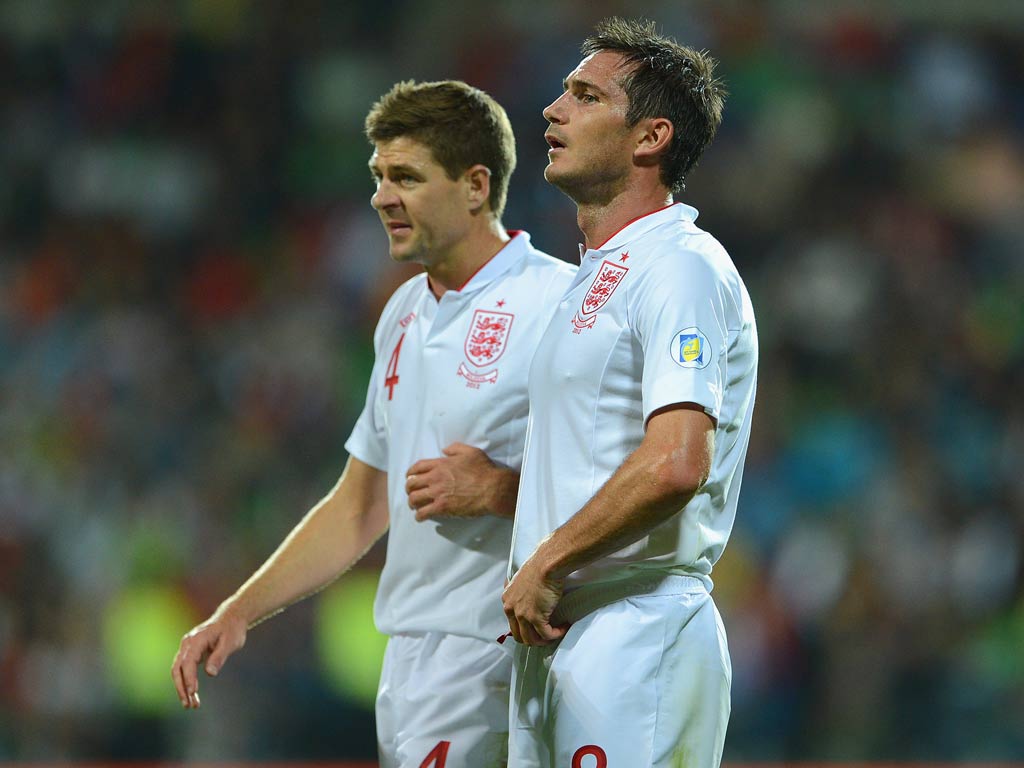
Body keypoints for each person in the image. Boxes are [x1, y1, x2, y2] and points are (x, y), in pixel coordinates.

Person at [171, 79, 575, 768]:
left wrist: (502, 489)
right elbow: (359, 505)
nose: (382, 196)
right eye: (379, 177)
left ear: (476, 186)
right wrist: (239, 610)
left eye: (407, 177)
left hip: (510, 650)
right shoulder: (401, 315)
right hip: (415, 660)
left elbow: (624, 478)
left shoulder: (559, 305)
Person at [501, 17, 757, 768]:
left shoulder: (681, 265)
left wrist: (545, 562)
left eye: (584, 95)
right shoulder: (593, 275)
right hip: (560, 636)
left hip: (636, 631)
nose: (553, 110)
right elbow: (589, 466)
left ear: (649, 138)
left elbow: (679, 461)